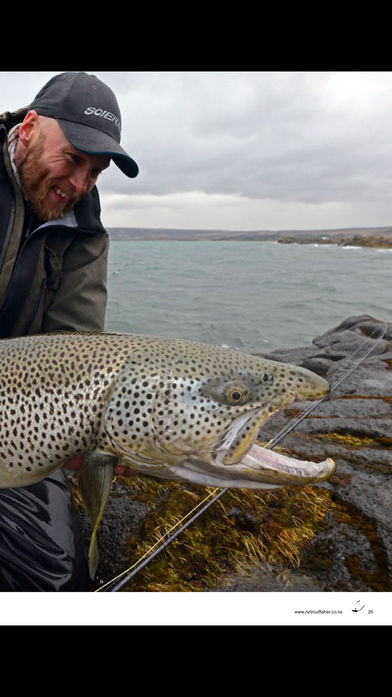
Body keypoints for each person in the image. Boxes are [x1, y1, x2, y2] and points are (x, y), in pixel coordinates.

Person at [0, 71, 139, 591]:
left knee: (58, 580)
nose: (80, 184)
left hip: (21, 417)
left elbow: (77, 347)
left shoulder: (84, 223)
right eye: (73, 158)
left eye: (96, 171)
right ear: (30, 127)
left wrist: (91, 430)